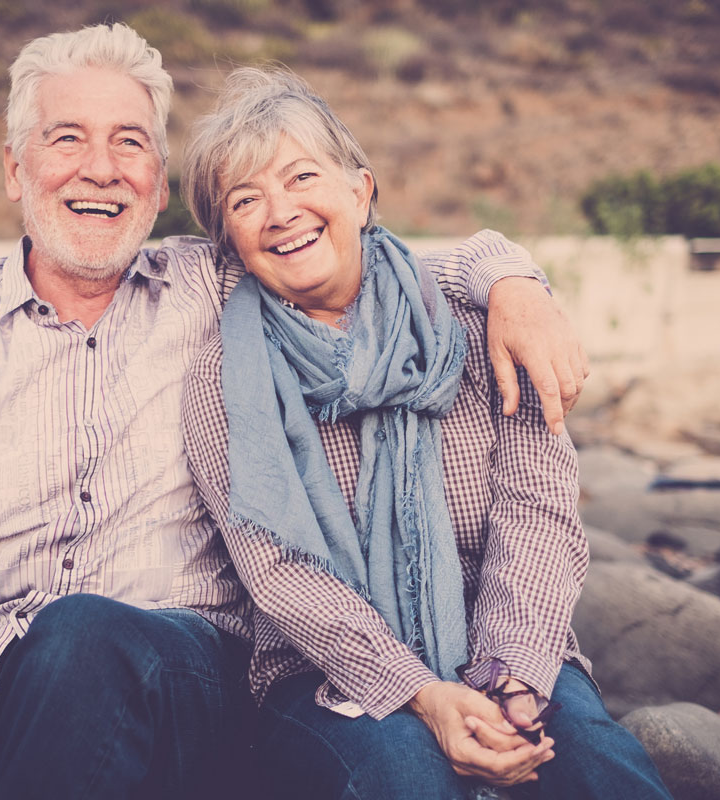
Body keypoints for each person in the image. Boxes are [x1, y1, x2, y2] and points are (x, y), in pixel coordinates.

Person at [0, 23, 589, 800]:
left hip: (187, 684)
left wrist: (509, 278)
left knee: (82, 634)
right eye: (67, 139)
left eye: (130, 143)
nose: (100, 168)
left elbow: (355, 246)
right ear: (16, 168)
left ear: (160, 186)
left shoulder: (215, 283)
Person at [180, 67, 671, 800]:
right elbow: (279, 573)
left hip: (508, 645)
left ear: (360, 190)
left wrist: (515, 681)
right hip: (325, 673)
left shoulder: (482, 323)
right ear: (231, 240)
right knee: (404, 776)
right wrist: (421, 694)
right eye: (245, 200)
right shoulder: (226, 375)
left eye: (301, 177)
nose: (279, 212)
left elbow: (539, 519)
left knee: (600, 771)